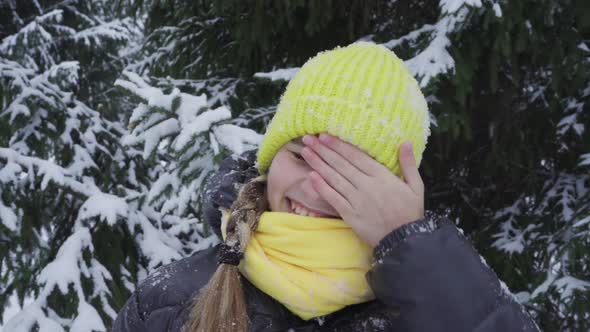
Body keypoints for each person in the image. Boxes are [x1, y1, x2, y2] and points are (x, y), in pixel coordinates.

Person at [112, 42, 539, 332]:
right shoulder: (168, 300)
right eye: (301, 155)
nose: (317, 189)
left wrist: (414, 249)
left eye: (353, 172)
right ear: (270, 160)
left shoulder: (433, 306)